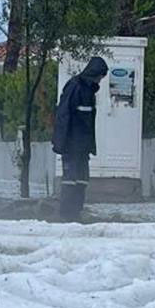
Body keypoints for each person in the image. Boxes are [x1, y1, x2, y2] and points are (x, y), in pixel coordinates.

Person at [52, 57, 108, 222]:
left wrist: (90, 145)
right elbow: (63, 115)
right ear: (94, 73)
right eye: (100, 76)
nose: (100, 80)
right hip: (70, 144)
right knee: (70, 179)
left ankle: (76, 212)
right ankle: (66, 214)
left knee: (82, 179)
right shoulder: (75, 86)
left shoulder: (89, 90)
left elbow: (88, 122)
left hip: (82, 145)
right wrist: (61, 142)